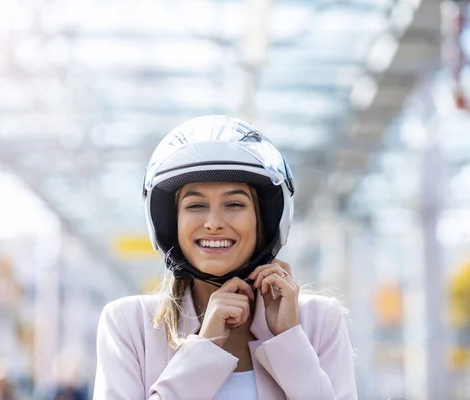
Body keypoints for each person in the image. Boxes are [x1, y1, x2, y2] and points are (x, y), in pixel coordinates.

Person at [93, 115, 357, 399]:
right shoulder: (129, 325)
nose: (213, 222)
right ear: (171, 224)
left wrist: (289, 339)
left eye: (234, 204)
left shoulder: (318, 320)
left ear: (264, 221)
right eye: (195, 205)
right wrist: (205, 347)